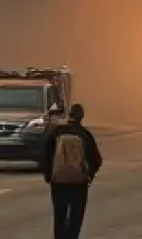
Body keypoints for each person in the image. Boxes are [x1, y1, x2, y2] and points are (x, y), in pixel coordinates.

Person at [41, 102, 103, 239]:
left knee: (59, 215)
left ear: (70, 115)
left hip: (58, 182)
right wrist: (89, 175)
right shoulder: (85, 135)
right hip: (79, 183)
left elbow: (45, 155)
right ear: (81, 117)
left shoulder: (56, 132)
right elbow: (97, 160)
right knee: (76, 216)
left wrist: (49, 175)